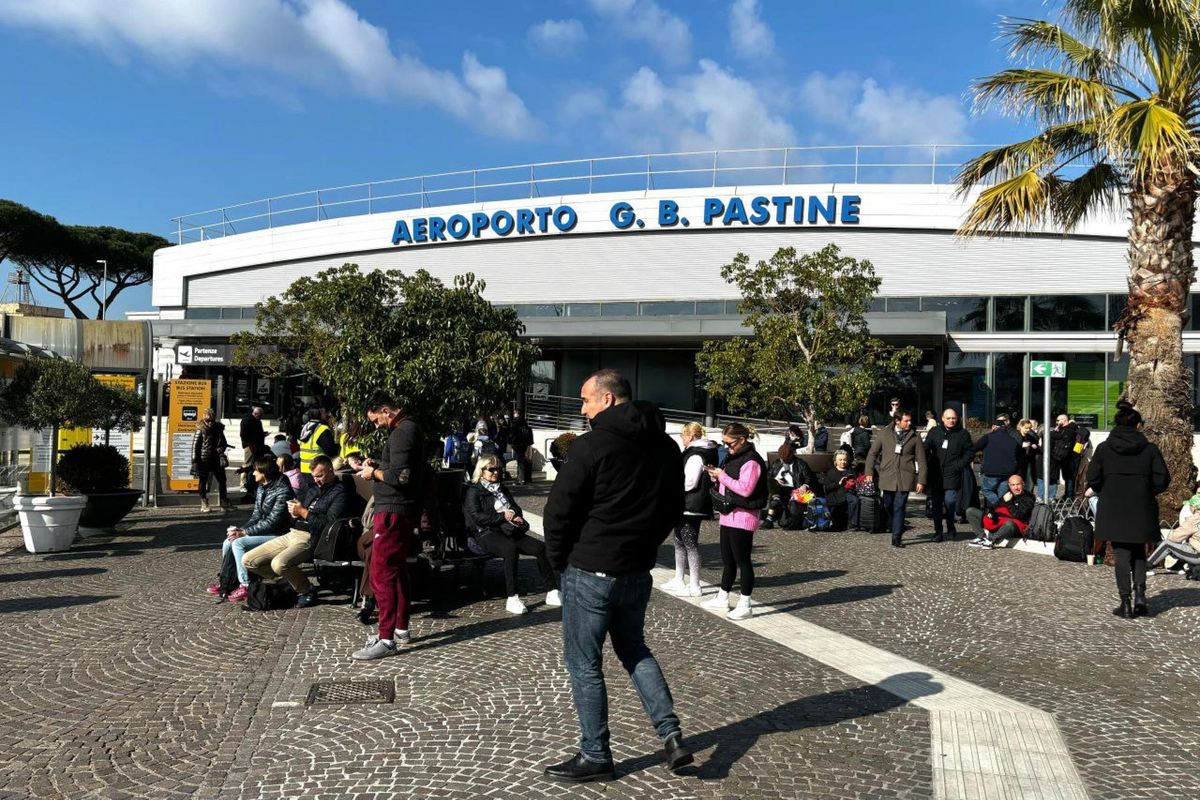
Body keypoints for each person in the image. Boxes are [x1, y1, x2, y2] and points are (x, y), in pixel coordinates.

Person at [542, 369, 692, 782]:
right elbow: (673, 508)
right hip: (635, 571)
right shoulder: (664, 446)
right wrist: (643, 546)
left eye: (586, 400)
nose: (582, 408)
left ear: (608, 400)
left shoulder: (592, 446)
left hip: (590, 569)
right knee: (634, 649)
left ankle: (595, 754)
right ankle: (672, 735)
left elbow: (558, 511)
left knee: (584, 664)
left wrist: (559, 562)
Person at [352, 394, 424, 660]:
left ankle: (386, 638)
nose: (376, 426)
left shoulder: (402, 432)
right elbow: (400, 469)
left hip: (392, 511)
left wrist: (374, 474)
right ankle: (400, 630)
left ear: (385, 410)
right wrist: (378, 465)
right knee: (397, 571)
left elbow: (401, 477)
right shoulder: (408, 428)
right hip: (399, 511)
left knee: (381, 575)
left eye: (376, 420)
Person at [1086, 401, 1170, 619]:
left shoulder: (1104, 448)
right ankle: (1140, 595)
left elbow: (1093, 478)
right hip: (1141, 505)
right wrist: (1146, 489)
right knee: (1139, 550)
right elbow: (1163, 479)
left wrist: (1106, 488)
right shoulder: (1150, 449)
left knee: (1122, 552)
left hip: (1113, 505)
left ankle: (1125, 602)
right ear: (1137, 425)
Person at [243, 454, 346, 608]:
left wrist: (304, 513)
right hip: (293, 532)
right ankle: (290, 582)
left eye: (320, 476)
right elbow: (300, 511)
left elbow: (329, 524)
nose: (316, 480)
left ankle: (306, 590)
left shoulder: (340, 492)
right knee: (249, 560)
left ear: (331, 471)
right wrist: (294, 514)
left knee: (279, 564)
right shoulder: (313, 489)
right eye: (314, 476)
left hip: (312, 538)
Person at [463, 454, 559, 614]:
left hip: (508, 529)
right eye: (491, 469)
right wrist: (502, 516)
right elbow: (477, 517)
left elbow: (516, 507)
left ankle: (552, 590)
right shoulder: (474, 491)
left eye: (498, 469)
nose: (495, 472)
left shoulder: (502, 488)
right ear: (481, 471)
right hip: (487, 533)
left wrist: (514, 514)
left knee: (540, 548)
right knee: (510, 549)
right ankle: (512, 597)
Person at [206, 455, 295, 602]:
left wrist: (245, 533)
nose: (253, 473)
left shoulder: (283, 491)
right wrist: (239, 530)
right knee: (229, 540)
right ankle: (227, 580)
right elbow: (256, 516)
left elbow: (273, 522)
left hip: (278, 533)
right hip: (264, 530)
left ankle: (245, 584)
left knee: (238, 543)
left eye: (255, 471)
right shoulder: (262, 487)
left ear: (264, 473)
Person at [701, 422, 766, 617]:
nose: (726, 447)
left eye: (729, 444)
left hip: (743, 515)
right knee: (728, 560)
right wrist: (716, 477)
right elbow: (728, 483)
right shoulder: (732, 457)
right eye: (723, 444)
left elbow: (745, 489)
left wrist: (722, 477)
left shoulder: (752, 460)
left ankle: (745, 604)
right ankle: (723, 596)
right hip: (728, 513)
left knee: (742, 560)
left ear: (742, 440)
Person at [664, 421, 717, 597]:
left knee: (689, 543)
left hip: (690, 504)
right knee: (679, 541)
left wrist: (672, 488)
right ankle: (679, 578)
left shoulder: (696, 455)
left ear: (691, 436)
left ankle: (694, 584)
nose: (682, 439)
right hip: (687, 504)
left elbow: (690, 481)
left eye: (683, 435)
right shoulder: (700, 452)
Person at [863, 408, 927, 548]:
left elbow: (921, 460)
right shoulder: (884, 434)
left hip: (905, 477)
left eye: (910, 420)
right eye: (906, 420)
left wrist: (921, 480)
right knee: (888, 504)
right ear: (897, 421)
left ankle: (896, 536)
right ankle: (896, 524)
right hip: (887, 476)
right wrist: (869, 471)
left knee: (900, 506)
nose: (909, 423)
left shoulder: (915, 437)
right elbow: (873, 453)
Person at [924, 408, 974, 542]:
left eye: (954, 418)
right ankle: (938, 531)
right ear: (942, 419)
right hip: (936, 474)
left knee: (950, 501)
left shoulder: (962, 434)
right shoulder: (934, 432)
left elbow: (969, 452)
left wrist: (959, 465)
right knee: (936, 504)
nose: (951, 421)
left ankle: (951, 524)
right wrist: (927, 462)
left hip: (953, 473)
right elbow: (925, 448)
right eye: (949, 418)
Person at [965, 474, 1035, 549]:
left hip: (1015, 527)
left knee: (1009, 524)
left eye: (1018, 484)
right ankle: (981, 537)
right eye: (1013, 485)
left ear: (1023, 484)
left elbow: (1018, 515)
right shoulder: (1008, 494)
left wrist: (1008, 502)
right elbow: (995, 506)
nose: (1015, 488)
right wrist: (990, 512)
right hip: (999, 521)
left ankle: (991, 540)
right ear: (1009, 485)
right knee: (970, 511)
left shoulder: (1029, 498)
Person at [761, 441, 816, 530]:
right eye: (782, 458)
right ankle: (775, 501)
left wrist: (805, 485)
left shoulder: (800, 464)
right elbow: (768, 475)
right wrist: (776, 480)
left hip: (793, 489)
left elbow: (809, 478)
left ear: (792, 455)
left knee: (786, 521)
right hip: (778, 489)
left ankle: (769, 518)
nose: (783, 461)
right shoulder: (777, 463)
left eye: (786, 459)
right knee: (772, 482)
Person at [973, 415, 1022, 508]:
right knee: (1002, 495)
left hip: (991, 472)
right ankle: (1001, 511)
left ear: (994, 427)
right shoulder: (1013, 440)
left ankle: (999, 506)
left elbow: (974, 448)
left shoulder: (988, 437)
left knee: (986, 490)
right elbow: (1018, 455)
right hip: (1008, 473)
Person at [192, 408, 231, 514]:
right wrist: (195, 461)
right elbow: (195, 446)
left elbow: (223, 442)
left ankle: (223, 501)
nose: (209, 423)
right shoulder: (200, 429)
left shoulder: (218, 429)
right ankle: (204, 502)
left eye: (211, 420)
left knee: (222, 480)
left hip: (217, 458)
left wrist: (221, 449)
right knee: (203, 481)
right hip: (203, 459)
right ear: (204, 419)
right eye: (207, 420)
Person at [821, 449, 859, 531]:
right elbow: (827, 487)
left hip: (849, 492)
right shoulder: (831, 472)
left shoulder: (851, 471)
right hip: (836, 493)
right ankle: (845, 523)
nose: (843, 462)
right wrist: (839, 483)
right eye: (840, 460)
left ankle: (852, 524)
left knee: (854, 500)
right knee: (849, 500)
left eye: (844, 460)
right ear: (836, 461)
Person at [238, 406, 267, 503]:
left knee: (255, 467)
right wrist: (251, 443)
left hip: (257, 446)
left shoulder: (256, 421)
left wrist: (262, 435)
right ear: (255, 414)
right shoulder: (248, 421)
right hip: (251, 447)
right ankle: (249, 490)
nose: (262, 417)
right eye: (260, 415)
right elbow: (244, 435)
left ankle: (253, 490)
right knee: (249, 468)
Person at [1050, 414, 1082, 500]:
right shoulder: (1064, 429)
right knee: (1067, 477)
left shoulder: (1069, 430)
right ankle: (1067, 495)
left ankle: (1069, 496)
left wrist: (1054, 434)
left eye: (1058, 420)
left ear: (1064, 420)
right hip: (1066, 458)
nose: (1056, 422)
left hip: (1070, 458)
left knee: (1069, 478)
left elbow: (1065, 439)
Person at [298, 409, 339, 475]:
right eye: (324, 413)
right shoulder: (322, 429)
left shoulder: (304, 428)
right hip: (318, 470)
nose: (326, 415)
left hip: (304, 469)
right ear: (319, 415)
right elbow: (331, 451)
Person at [509, 409, 535, 484]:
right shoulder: (525, 424)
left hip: (518, 445)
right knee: (523, 461)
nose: (514, 414)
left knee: (520, 462)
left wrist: (512, 443)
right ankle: (524, 478)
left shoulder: (516, 424)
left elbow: (512, 435)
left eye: (515, 413)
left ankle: (521, 478)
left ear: (518, 414)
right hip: (524, 445)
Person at [1015, 419, 1041, 489]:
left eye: (1029, 428)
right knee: (1019, 481)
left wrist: (1034, 446)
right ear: (1021, 426)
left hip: (1028, 461)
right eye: (1026, 428)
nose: (1028, 430)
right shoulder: (1016, 435)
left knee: (1028, 481)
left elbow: (1035, 442)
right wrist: (1021, 445)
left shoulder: (1029, 436)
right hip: (1018, 463)